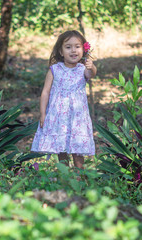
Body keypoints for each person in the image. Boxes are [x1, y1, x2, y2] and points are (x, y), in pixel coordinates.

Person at [31, 30, 96, 170]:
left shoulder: (82, 69)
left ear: (83, 49)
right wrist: (43, 114)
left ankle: (80, 175)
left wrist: (92, 67)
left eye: (77, 46)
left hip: (77, 117)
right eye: (68, 47)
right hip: (58, 116)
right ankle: (65, 175)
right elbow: (45, 92)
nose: (73, 50)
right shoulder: (54, 69)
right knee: (61, 147)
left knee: (77, 147)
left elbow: (90, 74)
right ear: (61, 51)